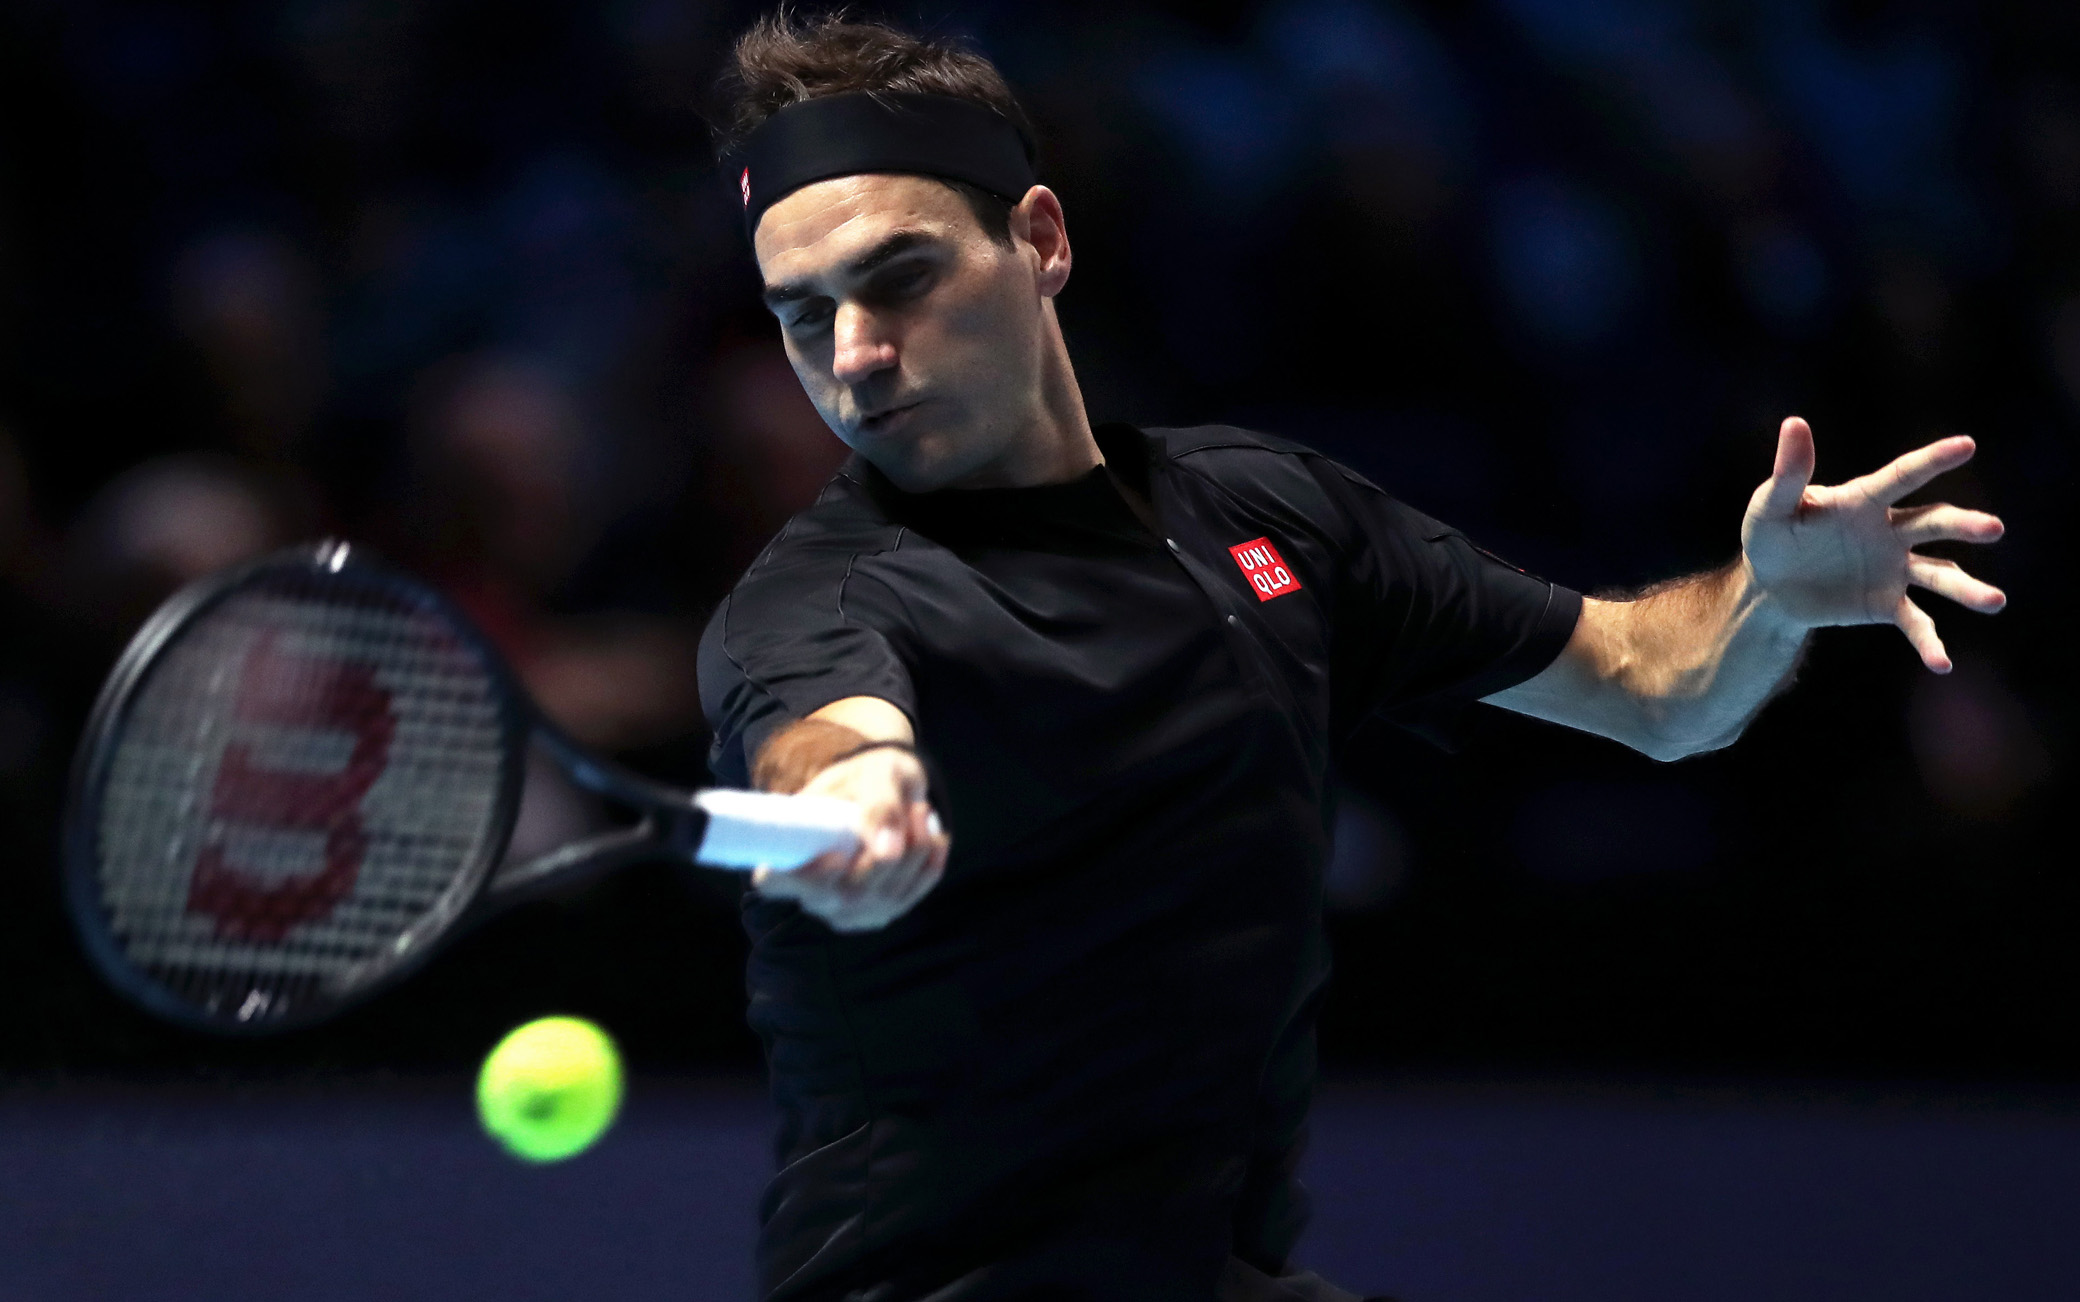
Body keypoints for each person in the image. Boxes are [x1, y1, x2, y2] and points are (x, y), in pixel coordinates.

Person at [695, 15, 2007, 1302]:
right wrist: (857, 796)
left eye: (901, 276)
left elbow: (1655, 690)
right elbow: (827, 731)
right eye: (804, 316)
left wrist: (1770, 598)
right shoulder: (817, 600)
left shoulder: (1270, 515)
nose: (856, 354)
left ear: (1039, 238)